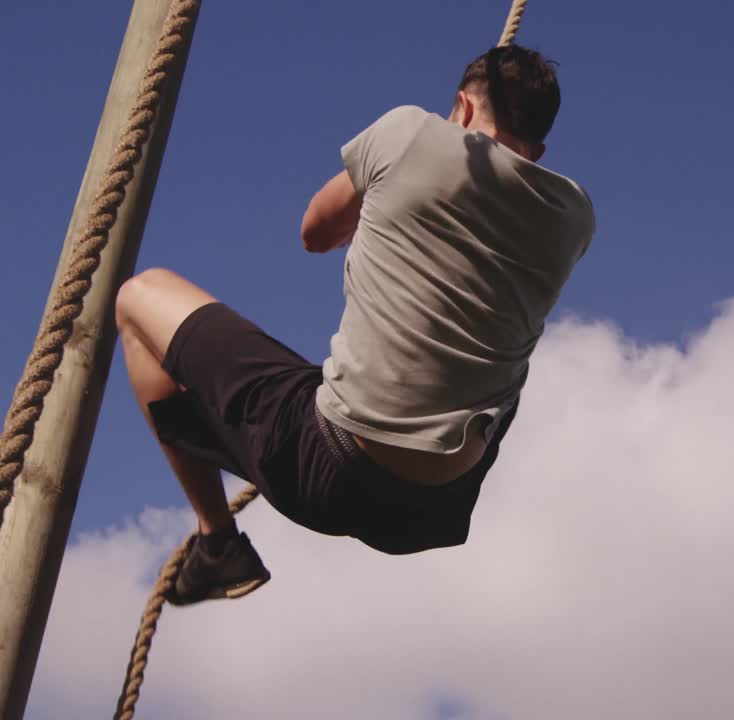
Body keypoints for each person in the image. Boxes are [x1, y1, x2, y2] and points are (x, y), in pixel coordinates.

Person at [114, 45, 596, 606]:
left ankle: (217, 543)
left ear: (462, 107)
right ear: (539, 150)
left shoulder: (410, 132)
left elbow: (315, 232)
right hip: (435, 512)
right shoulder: (575, 217)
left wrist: (386, 193)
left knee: (137, 298)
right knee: (497, 354)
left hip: (328, 467)